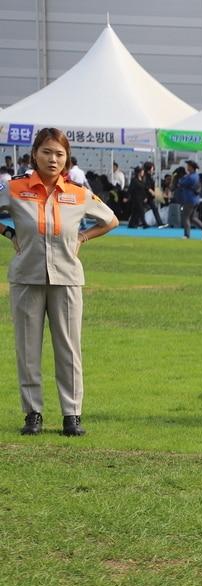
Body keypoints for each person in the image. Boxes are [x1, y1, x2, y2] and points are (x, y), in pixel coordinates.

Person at [1, 128, 119, 436]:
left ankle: (72, 414)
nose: (53, 159)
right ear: (35, 155)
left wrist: (82, 236)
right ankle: (33, 413)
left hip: (67, 278)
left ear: (66, 159)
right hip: (27, 277)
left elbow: (110, 220)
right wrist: (10, 234)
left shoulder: (77, 192)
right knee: (27, 348)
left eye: (59, 154)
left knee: (69, 348)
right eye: (47, 152)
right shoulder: (16, 189)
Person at [174, 160, 202, 239]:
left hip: (189, 200)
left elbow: (181, 183)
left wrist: (181, 179)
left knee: (185, 217)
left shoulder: (190, 177)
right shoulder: (195, 175)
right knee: (193, 218)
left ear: (192, 167)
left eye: (188, 166)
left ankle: (186, 235)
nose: (187, 167)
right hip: (195, 200)